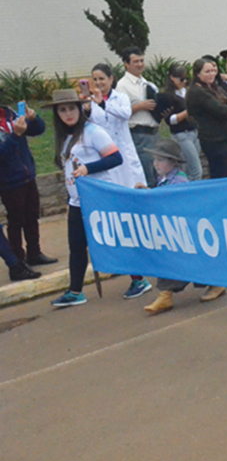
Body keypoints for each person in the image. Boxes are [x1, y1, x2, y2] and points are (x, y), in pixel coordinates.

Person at [48, 89, 123, 308]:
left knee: (113, 241)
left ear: (80, 109)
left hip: (99, 197)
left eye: (72, 108)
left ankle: (138, 279)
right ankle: (75, 291)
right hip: (77, 201)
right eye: (63, 110)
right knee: (77, 246)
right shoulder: (64, 137)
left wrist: (88, 169)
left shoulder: (93, 131)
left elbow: (116, 158)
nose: (68, 113)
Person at [84, 63, 152, 300]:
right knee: (121, 221)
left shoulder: (120, 98)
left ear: (111, 79)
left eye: (102, 79)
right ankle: (138, 276)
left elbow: (124, 114)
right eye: (95, 79)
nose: (99, 83)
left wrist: (102, 103)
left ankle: (148, 265)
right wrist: (88, 105)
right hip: (109, 168)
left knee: (138, 215)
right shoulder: (90, 103)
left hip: (127, 166)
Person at [140, 139, 225, 314]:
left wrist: (150, 194)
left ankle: (166, 295)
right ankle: (213, 283)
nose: (156, 164)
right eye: (155, 160)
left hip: (183, 229)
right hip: (173, 229)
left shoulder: (178, 181)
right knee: (186, 261)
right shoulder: (163, 179)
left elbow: (171, 202)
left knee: (176, 261)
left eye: (161, 160)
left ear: (173, 162)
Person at [0, 100, 56, 272]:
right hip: (9, 181)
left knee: (32, 215)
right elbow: (2, 154)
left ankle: (34, 252)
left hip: (27, 175)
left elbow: (37, 130)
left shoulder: (9, 113)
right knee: (16, 221)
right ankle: (18, 260)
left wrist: (33, 119)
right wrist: (16, 135)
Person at [188, 57, 227, 180]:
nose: (212, 74)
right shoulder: (197, 92)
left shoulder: (214, 87)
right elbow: (222, 112)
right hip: (214, 139)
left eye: (213, 71)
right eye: (207, 72)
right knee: (221, 174)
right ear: (197, 74)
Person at [115, 47, 159, 187]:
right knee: (147, 174)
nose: (140, 64)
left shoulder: (147, 83)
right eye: (136, 62)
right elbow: (119, 113)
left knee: (158, 172)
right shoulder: (122, 86)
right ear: (126, 64)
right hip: (138, 133)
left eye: (141, 61)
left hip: (154, 133)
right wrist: (139, 107)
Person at [159, 64, 202, 181]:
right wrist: (187, 112)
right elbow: (170, 120)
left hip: (193, 132)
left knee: (187, 168)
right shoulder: (167, 96)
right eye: (181, 79)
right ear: (172, 78)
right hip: (181, 134)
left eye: (186, 79)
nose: (184, 82)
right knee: (196, 170)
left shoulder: (186, 92)